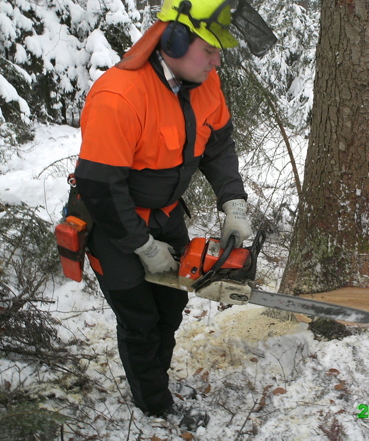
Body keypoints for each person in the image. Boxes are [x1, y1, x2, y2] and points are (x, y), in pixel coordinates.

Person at [73, 0, 275, 426]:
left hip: (165, 214)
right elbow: (101, 187)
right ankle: (154, 403)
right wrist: (141, 245)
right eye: (210, 50)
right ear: (174, 40)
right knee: (140, 318)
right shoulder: (119, 96)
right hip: (111, 222)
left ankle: (156, 380)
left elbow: (217, 147)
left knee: (171, 304)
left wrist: (233, 202)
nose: (217, 60)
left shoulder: (206, 83)